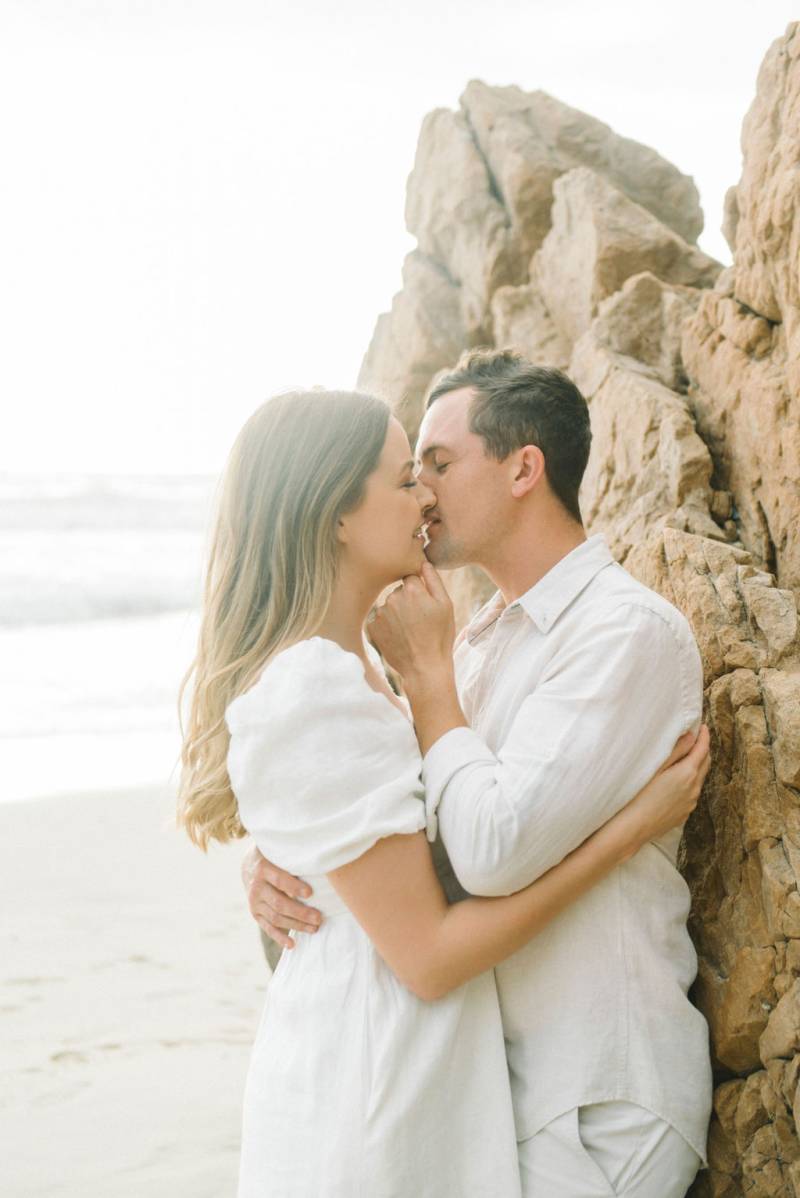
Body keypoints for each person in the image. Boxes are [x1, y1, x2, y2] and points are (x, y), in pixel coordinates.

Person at [179, 386, 710, 1198]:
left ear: (525, 468)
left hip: (587, 1084)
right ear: (335, 515)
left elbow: (468, 850)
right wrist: (285, 866)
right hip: (416, 1085)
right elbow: (424, 906)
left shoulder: (603, 634)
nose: (424, 494)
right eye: (406, 475)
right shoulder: (433, 661)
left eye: (437, 464)